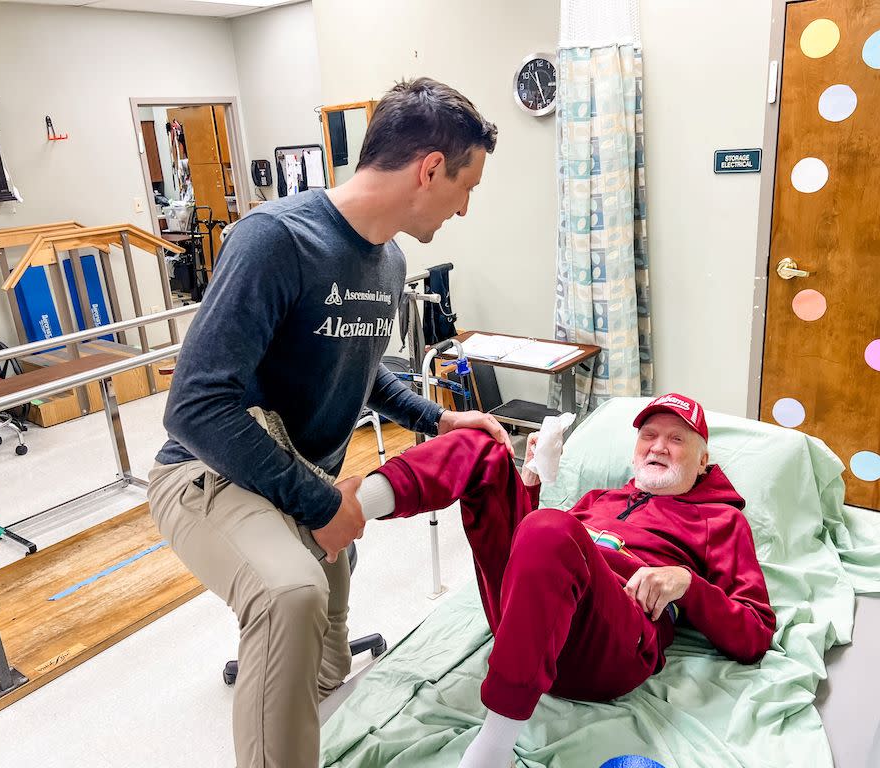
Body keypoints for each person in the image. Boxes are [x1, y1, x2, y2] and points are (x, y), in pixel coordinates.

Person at [147, 78, 510, 768]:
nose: (465, 209)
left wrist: (439, 420)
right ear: (430, 168)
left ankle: (303, 721)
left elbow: (362, 367)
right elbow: (194, 403)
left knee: (324, 664)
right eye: (467, 188)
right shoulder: (276, 240)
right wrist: (318, 503)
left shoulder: (390, 258)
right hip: (210, 469)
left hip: (300, 475)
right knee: (291, 594)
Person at [362, 392, 777, 768]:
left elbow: (755, 631)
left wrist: (686, 583)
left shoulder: (721, 520)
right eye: (648, 435)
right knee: (483, 448)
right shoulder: (602, 498)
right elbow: (535, 559)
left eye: (676, 439)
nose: (658, 446)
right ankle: (352, 506)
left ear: (703, 461)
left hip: (611, 642)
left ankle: (492, 750)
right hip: (527, 619)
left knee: (550, 528)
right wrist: (529, 480)